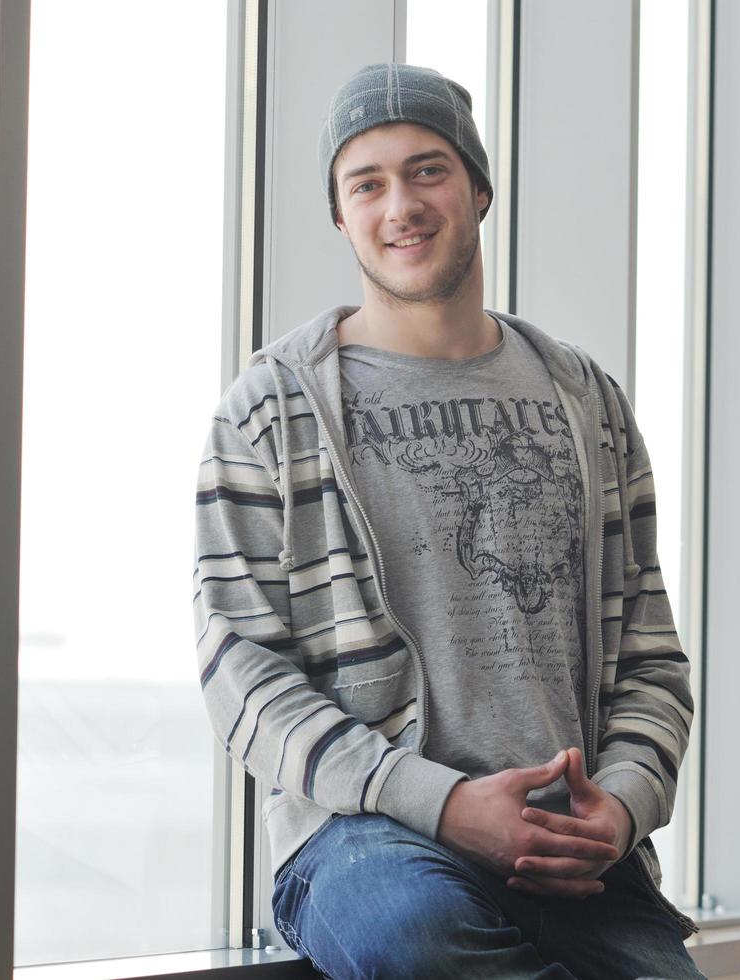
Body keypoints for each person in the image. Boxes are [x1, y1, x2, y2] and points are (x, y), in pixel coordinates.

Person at [193, 62, 702, 979]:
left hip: (573, 845)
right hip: (367, 836)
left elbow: (651, 656)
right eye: (368, 183)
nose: (402, 206)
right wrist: (439, 801)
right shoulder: (271, 409)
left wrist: (620, 807)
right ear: (341, 215)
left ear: (477, 187)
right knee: (416, 937)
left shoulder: (586, 400)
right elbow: (239, 669)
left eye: (427, 170)